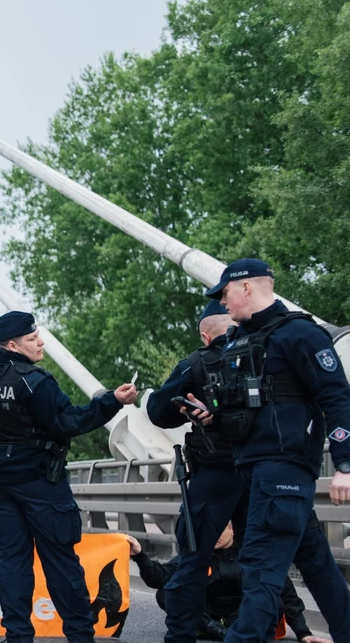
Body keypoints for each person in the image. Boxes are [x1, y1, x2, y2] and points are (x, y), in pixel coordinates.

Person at [192, 259, 350, 642]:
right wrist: (212, 418)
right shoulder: (240, 341)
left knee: (260, 570)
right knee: (316, 564)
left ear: (246, 288)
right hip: (253, 470)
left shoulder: (299, 334)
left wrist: (345, 463)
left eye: (226, 294)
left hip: (283, 471)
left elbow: (337, 397)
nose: (223, 304)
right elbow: (248, 412)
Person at [0, 310, 137, 643]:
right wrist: (113, 401)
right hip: (40, 482)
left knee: (12, 562)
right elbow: (69, 422)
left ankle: (17, 637)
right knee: (60, 560)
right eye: (32, 339)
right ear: (13, 344)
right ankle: (80, 636)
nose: (40, 342)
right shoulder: (35, 381)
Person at [146, 299, 252, 643]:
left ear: (206, 336)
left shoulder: (198, 363)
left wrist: (186, 410)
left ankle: (181, 636)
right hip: (262, 469)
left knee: (193, 559)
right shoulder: (264, 353)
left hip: (215, 472)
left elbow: (159, 411)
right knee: (262, 558)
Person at [126, 525, 329, 643]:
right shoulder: (194, 556)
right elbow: (160, 578)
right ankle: (217, 631)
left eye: (219, 529)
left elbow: (285, 591)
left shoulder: (252, 554)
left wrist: (303, 632)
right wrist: (140, 556)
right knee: (167, 592)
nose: (212, 535)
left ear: (232, 529)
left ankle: (226, 632)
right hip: (206, 617)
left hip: (239, 617)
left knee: (272, 598)